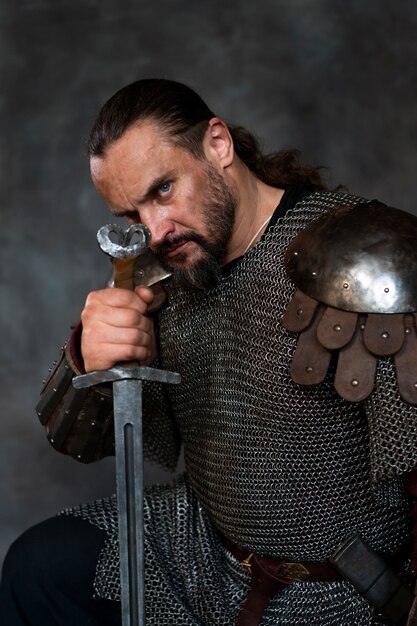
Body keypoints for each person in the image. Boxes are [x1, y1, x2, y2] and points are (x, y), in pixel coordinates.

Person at [1, 78, 417, 626]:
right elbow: (73, 438)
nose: (154, 231)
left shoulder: (363, 260)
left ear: (218, 144)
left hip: (334, 590)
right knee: (38, 567)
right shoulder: (162, 270)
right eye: (130, 215)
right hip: (200, 550)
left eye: (163, 190)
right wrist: (90, 355)